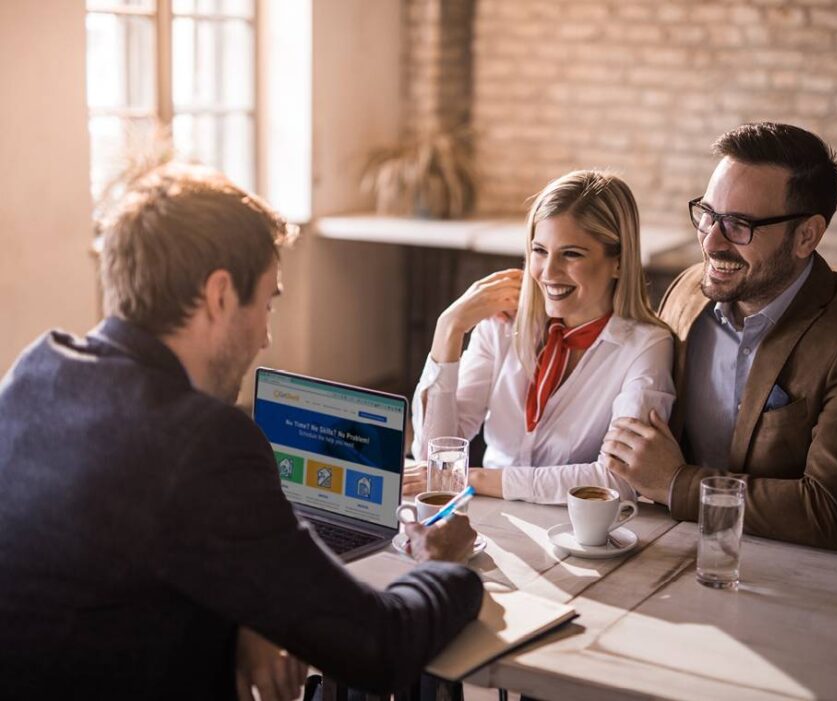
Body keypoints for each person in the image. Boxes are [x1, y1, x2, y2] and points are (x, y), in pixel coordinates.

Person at [0, 163, 482, 700]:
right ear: (220, 294)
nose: (266, 339)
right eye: (268, 301)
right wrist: (444, 562)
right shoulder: (203, 441)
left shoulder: (36, 372)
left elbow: (123, 563)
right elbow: (380, 647)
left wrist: (247, 613)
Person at [603, 123, 837, 550]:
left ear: (807, 235)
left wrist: (677, 483)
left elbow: (830, 512)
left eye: (738, 225)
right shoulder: (685, 294)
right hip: (670, 548)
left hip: (805, 579)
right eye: (708, 214)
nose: (711, 241)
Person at [407, 170, 674, 504]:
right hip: (484, 515)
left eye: (572, 254)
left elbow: (618, 479)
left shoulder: (646, 346)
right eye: (539, 250)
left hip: (573, 531)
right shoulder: (501, 325)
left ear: (618, 262)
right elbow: (434, 455)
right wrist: (448, 329)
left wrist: (472, 477)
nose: (548, 272)